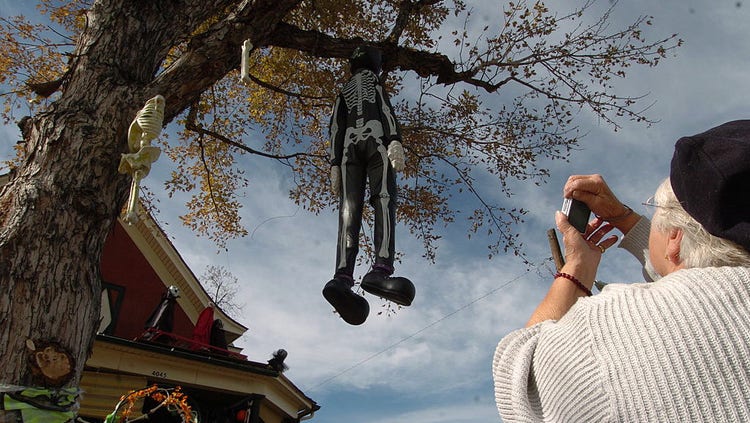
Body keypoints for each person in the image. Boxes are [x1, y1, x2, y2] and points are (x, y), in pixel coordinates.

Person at [493, 119, 750, 421]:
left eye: (654, 209)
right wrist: (624, 219)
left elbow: (520, 383)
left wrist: (577, 267)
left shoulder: (613, 328)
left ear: (675, 236)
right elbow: (706, 273)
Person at [322, 46, 416, 325]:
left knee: (367, 204)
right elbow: (341, 124)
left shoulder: (363, 86)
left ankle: (362, 272)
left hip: (365, 143)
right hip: (364, 142)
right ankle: (359, 273)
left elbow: (378, 112)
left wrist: (394, 139)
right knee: (362, 207)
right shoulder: (358, 88)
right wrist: (334, 162)